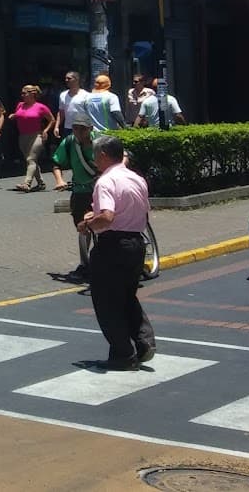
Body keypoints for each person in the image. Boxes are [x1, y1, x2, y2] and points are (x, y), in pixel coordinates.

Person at [79, 135, 156, 369]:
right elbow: (144, 212)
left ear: (103, 155)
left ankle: (122, 354)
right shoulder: (136, 178)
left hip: (113, 245)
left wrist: (88, 225)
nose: (94, 160)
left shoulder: (105, 181)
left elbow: (108, 217)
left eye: (95, 155)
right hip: (136, 243)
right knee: (126, 296)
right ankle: (144, 342)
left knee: (106, 301)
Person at [54, 116, 100, 282]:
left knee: (104, 225)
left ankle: (103, 260)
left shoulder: (101, 142)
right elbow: (56, 163)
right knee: (83, 229)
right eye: (75, 128)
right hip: (80, 192)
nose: (79, 132)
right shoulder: (69, 143)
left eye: (83, 128)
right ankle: (85, 264)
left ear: (91, 128)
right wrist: (59, 180)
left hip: (101, 191)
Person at [11, 85, 55, 193]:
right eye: (21, 93)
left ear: (32, 94)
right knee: (32, 161)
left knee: (30, 159)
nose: (22, 95)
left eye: (24, 93)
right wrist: (14, 116)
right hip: (23, 137)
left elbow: (52, 119)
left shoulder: (40, 107)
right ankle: (41, 183)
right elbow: (19, 115)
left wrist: (45, 130)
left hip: (36, 136)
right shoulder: (20, 105)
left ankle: (27, 183)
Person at [53, 71, 86, 191]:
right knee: (71, 154)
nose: (66, 80)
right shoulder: (63, 95)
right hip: (68, 129)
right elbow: (61, 113)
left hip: (82, 129)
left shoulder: (85, 95)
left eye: (69, 78)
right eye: (65, 79)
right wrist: (57, 126)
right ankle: (73, 178)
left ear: (76, 80)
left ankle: (78, 178)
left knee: (81, 154)